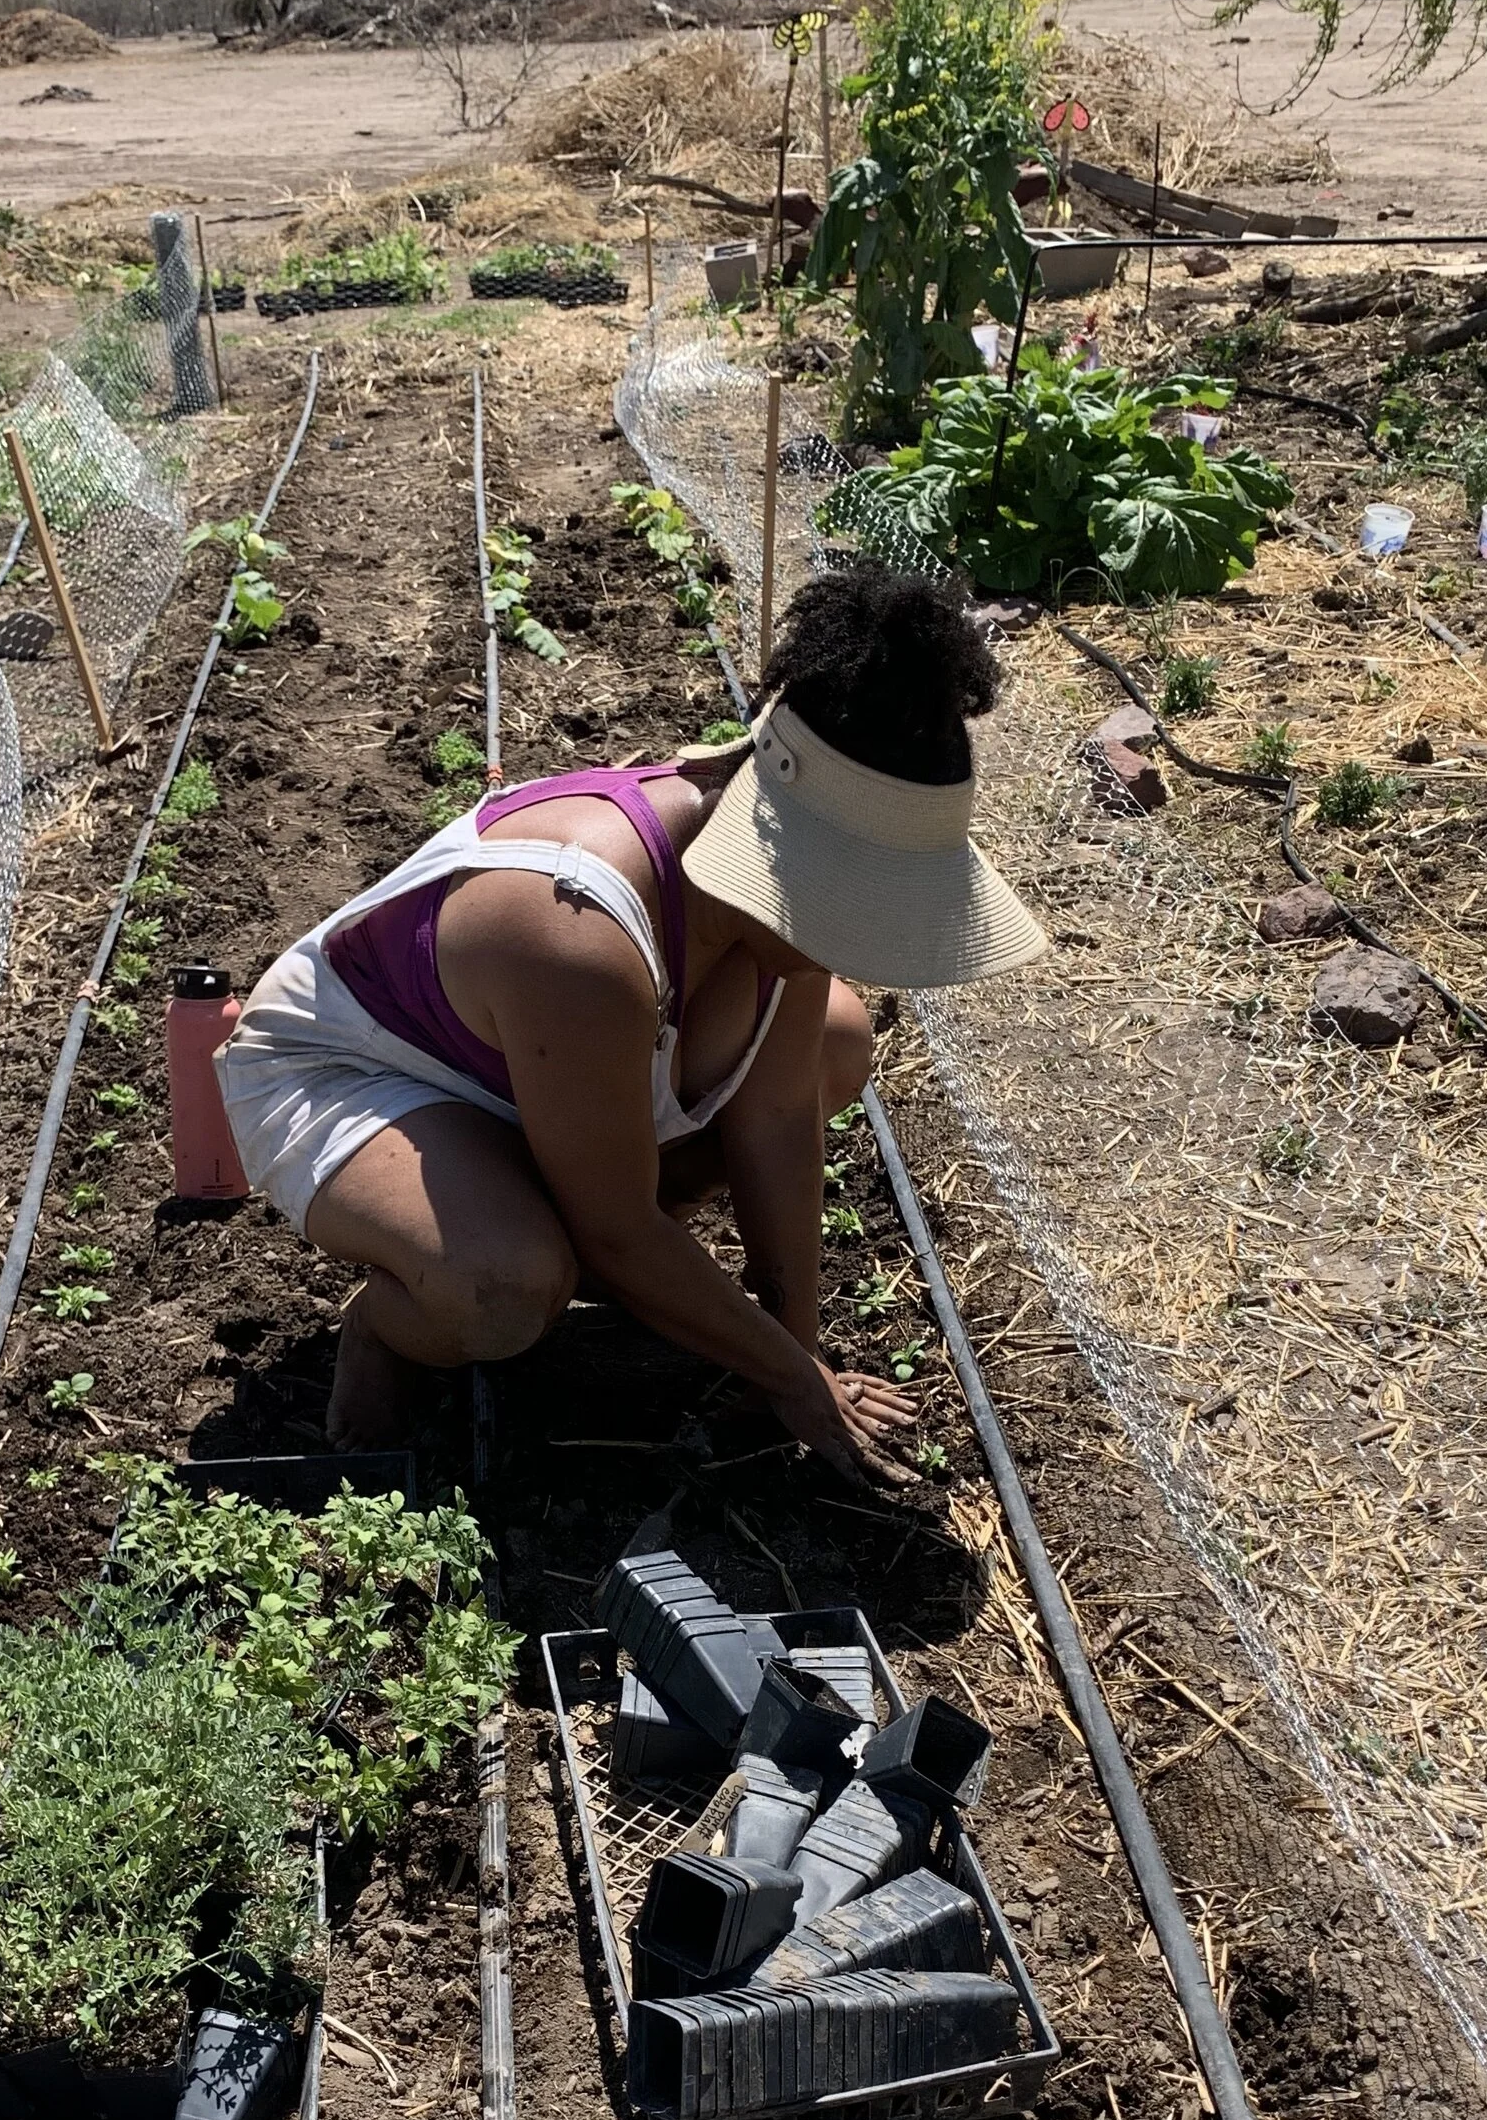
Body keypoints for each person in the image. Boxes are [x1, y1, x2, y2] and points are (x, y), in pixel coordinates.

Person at [215, 559, 1046, 1479]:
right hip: (351, 1073)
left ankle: (576, 1232)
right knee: (504, 1283)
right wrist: (793, 1377)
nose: (868, 935)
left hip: (527, 1075)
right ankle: (387, 1328)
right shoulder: (578, 928)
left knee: (833, 1042)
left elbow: (775, 1119)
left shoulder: (777, 885)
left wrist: (791, 1352)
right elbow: (616, 1224)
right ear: (789, 853)